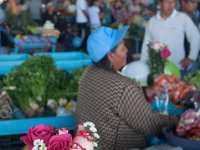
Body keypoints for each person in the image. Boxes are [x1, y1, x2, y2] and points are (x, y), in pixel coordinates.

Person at [76, 26, 178, 149]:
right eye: (122, 47)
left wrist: (145, 91)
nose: (126, 50)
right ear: (110, 55)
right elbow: (151, 124)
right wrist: (179, 120)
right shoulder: (125, 87)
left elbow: (112, 98)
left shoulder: (89, 73)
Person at [140, 0, 200, 77]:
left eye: (173, 2)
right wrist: (142, 65)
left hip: (178, 68)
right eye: (167, 2)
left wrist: (191, 57)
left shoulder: (182, 18)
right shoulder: (152, 22)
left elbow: (195, 36)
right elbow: (146, 44)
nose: (170, 5)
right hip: (157, 70)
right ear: (160, 3)